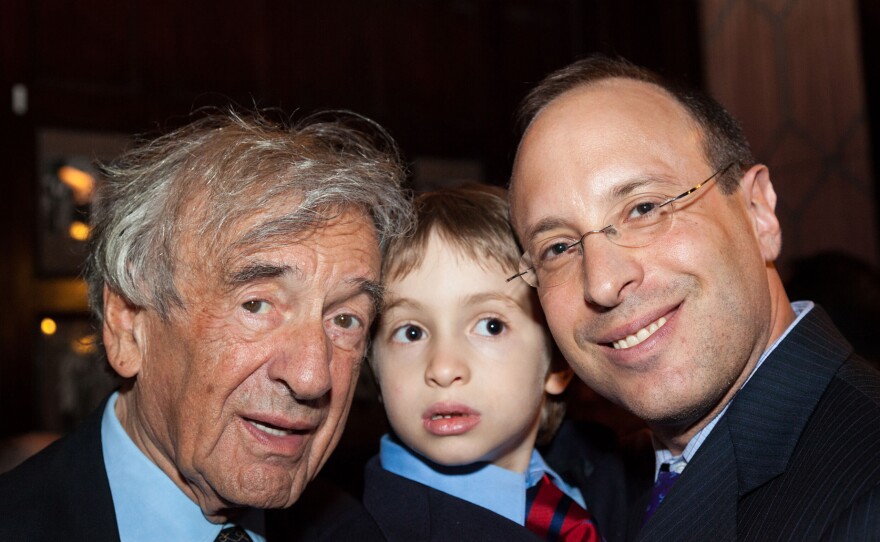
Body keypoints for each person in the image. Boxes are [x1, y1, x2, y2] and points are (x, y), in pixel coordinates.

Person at [507, 56, 880, 541]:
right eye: (557, 247)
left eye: (644, 208)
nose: (601, 282)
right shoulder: (595, 495)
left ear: (758, 213)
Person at [0, 109, 413, 541]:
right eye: (256, 305)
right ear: (128, 325)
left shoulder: (357, 531)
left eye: (345, 319)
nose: (312, 377)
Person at [362, 184, 632, 541]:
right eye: (411, 333)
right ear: (374, 366)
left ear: (558, 363)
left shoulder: (615, 480)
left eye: (490, 326)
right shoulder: (368, 529)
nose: (443, 369)